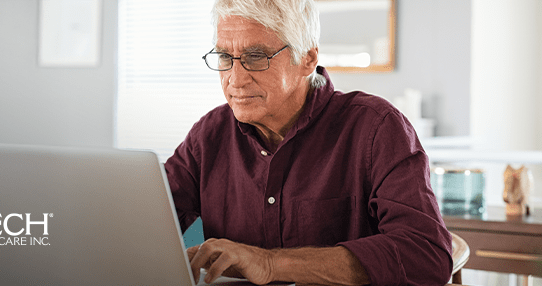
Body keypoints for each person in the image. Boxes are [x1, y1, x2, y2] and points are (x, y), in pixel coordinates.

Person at [164, 0, 453, 285]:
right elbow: (160, 219)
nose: (235, 80)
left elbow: (426, 255)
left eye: (256, 57)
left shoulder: (376, 128)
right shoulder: (209, 134)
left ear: (307, 59)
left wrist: (270, 264)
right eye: (225, 57)